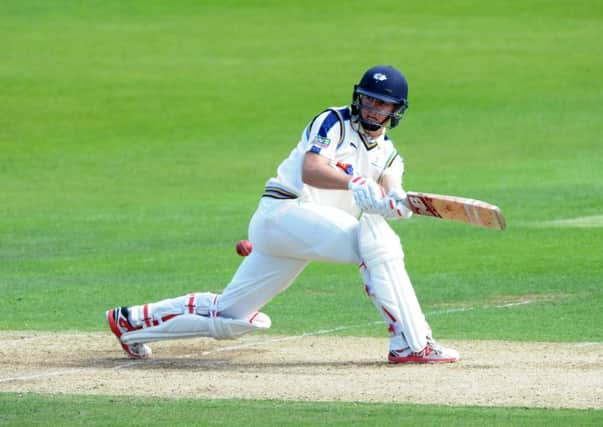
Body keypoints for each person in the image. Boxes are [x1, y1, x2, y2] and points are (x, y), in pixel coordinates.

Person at [106, 65, 459, 364]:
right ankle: (411, 343)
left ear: (396, 110)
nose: (371, 109)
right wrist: (354, 182)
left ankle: (132, 321)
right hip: (284, 212)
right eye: (368, 99)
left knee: (232, 318)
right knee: (376, 242)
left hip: (303, 233)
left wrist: (393, 204)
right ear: (358, 97)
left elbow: (389, 190)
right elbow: (312, 169)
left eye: (381, 104)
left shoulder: (390, 155)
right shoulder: (333, 121)